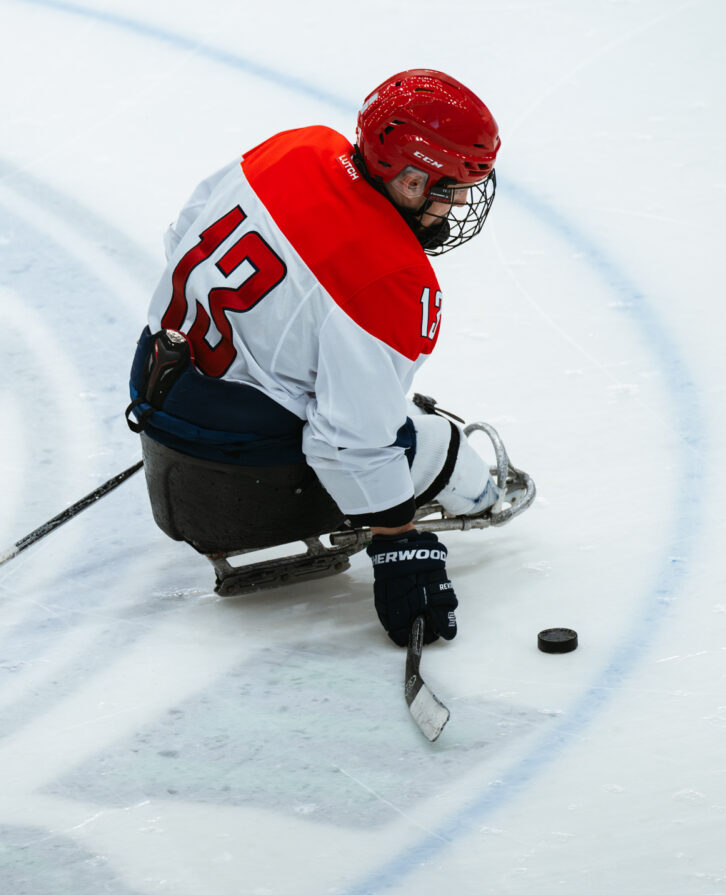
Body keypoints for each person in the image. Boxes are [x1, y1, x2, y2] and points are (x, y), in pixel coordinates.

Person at [124, 68, 505, 646]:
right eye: (449, 190)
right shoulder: (393, 279)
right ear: (410, 180)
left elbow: (182, 234)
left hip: (161, 385)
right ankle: (483, 496)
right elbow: (348, 444)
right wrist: (398, 544)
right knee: (437, 444)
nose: (453, 207)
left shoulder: (295, 148)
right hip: (247, 477)